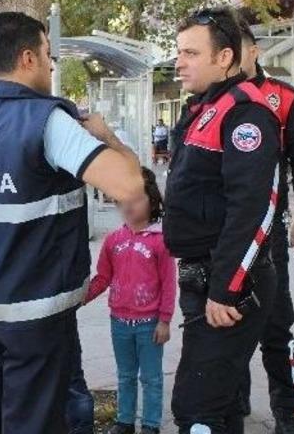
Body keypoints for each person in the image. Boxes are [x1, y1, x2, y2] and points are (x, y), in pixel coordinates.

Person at [0, 11, 144, 434]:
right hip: (35, 313)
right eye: (48, 54)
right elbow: (129, 186)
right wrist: (107, 138)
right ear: (28, 57)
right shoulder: (49, 122)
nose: (51, 65)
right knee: (33, 422)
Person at [163, 7, 281, 434]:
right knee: (223, 403)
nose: (179, 62)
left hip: (226, 286)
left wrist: (226, 290)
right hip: (203, 279)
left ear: (225, 57)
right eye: (179, 52)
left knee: (196, 408)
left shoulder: (246, 114)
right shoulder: (205, 108)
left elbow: (255, 210)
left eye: (191, 53)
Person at [237, 18, 294, 434]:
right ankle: (233, 401)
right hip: (221, 237)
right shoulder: (209, 100)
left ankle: (287, 411)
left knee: (275, 324)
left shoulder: (284, 99)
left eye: (238, 45)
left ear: (253, 50)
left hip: (268, 236)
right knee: (226, 326)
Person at [83, 167, 177, 434]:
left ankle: (150, 424)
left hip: (149, 325)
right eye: (123, 198)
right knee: (125, 375)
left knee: (151, 378)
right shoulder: (113, 240)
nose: (129, 205)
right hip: (119, 323)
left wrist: (165, 321)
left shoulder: (161, 242)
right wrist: (81, 298)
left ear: (152, 200)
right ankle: (125, 421)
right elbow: (102, 278)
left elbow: (169, 284)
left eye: (136, 198)